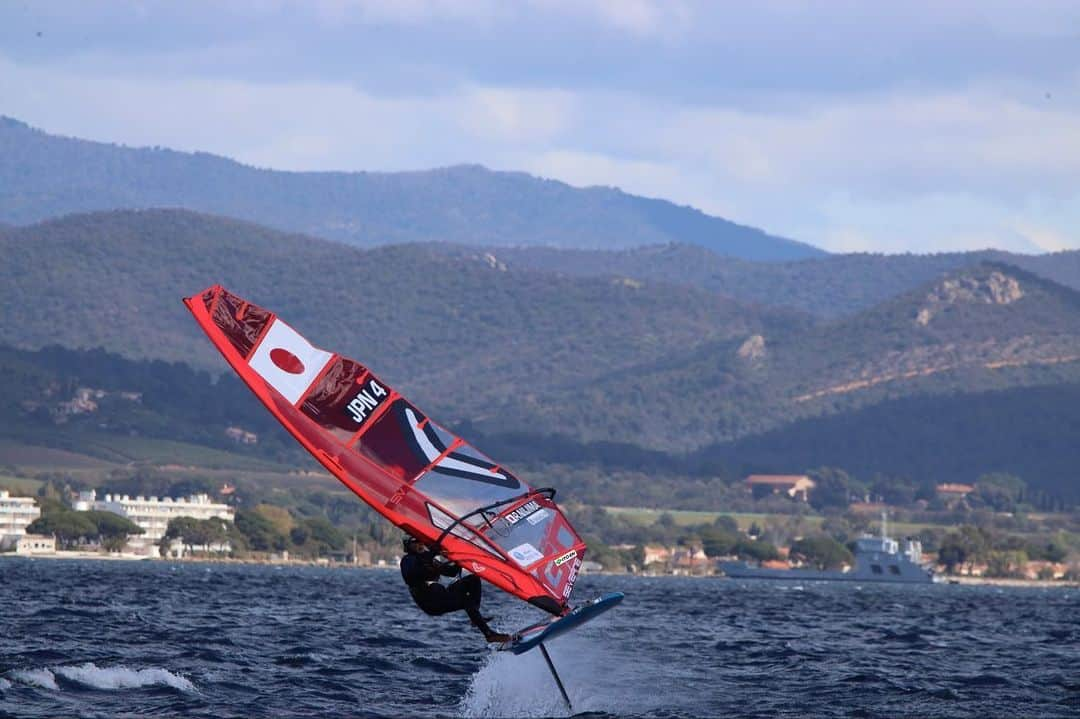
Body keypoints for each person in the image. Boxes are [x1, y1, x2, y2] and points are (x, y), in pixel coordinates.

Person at [400, 535, 511, 643]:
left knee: (473, 579)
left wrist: (458, 561)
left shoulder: (428, 558)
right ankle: (489, 635)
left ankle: (475, 617)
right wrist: (432, 554)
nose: (420, 545)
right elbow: (412, 574)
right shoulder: (408, 560)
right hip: (431, 603)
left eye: (421, 542)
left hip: (442, 594)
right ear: (408, 546)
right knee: (466, 601)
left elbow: (451, 572)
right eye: (416, 543)